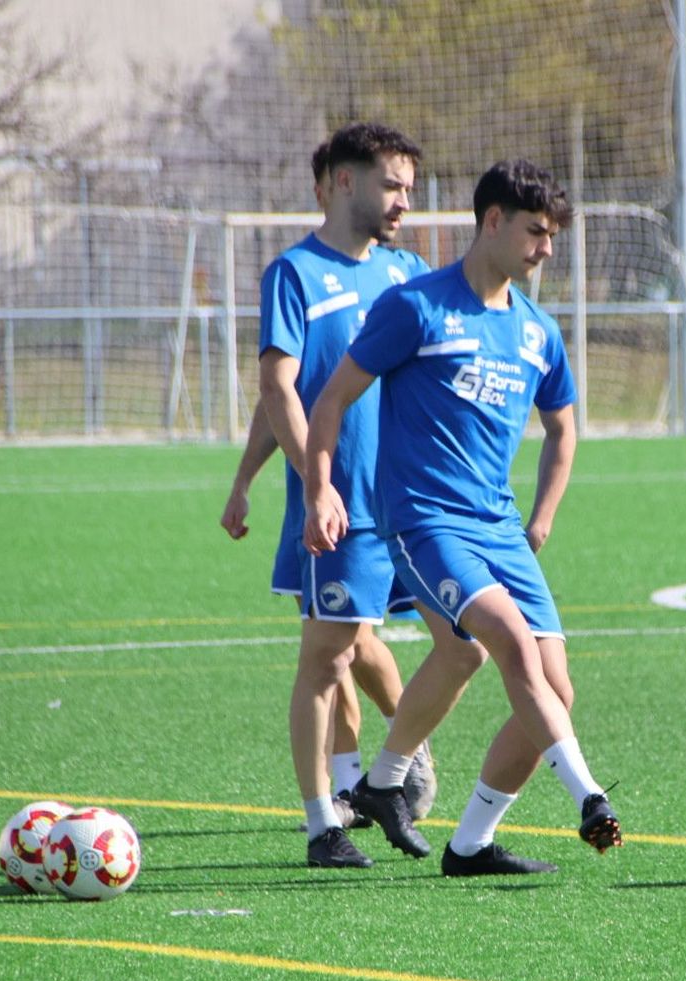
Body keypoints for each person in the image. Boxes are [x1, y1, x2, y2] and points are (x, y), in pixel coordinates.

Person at [304, 159, 621, 876]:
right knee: (507, 643)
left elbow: (564, 429)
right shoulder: (417, 308)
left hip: (501, 528)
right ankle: (590, 796)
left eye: (552, 236)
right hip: (425, 522)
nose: (545, 249)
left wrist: (540, 518)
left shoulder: (538, 331)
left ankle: (459, 836)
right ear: (492, 222)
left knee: (547, 683)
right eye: (535, 232)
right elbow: (330, 400)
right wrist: (322, 489)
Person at [219, 123, 461, 868]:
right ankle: (324, 819)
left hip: (409, 506)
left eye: (410, 191)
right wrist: (287, 482)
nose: (403, 203)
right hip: (341, 507)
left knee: (386, 642)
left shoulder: (407, 274)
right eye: (392, 186)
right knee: (328, 655)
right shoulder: (293, 274)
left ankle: (393, 762)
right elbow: (277, 389)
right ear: (343, 182)